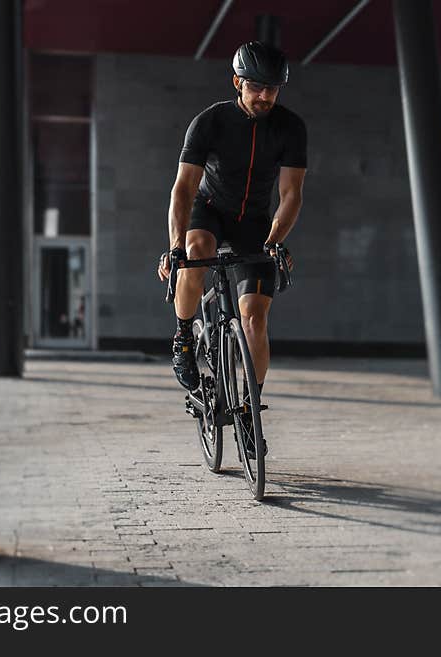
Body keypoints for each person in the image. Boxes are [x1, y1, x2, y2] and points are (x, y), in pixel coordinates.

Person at [157, 41, 307, 455]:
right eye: (256, 86)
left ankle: (248, 407)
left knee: (255, 319)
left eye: (272, 89)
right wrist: (174, 246)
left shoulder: (290, 127)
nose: (264, 96)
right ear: (237, 82)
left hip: (255, 223)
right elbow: (184, 188)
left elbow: (291, 194)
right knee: (195, 248)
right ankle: (184, 337)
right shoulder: (210, 122)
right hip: (209, 210)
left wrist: (275, 240)